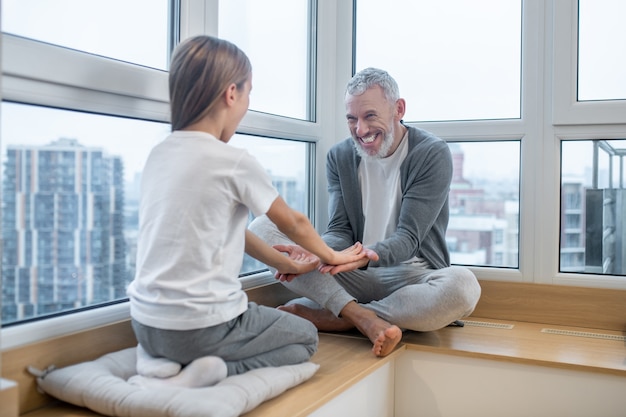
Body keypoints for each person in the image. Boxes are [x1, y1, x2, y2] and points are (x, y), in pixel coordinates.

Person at [126, 35, 374, 389]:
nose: (246, 104)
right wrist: (331, 254)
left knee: (177, 336)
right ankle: (207, 373)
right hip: (201, 328)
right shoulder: (233, 161)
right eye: (248, 93)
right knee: (305, 337)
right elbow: (293, 222)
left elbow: (231, 231)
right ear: (231, 94)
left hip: (146, 325)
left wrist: (288, 264)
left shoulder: (159, 155)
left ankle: (156, 360)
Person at [249, 67, 482, 358]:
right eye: (352, 119)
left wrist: (352, 257)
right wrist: (317, 250)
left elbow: (408, 239)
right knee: (261, 228)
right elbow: (339, 230)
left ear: (399, 109)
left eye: (370, 116)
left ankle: (340, 316)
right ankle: (363, 318)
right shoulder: (340, 156)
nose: (360, 130)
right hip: (352, 272)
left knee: (463, 288)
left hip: (409, 277)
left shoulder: (431, 153)